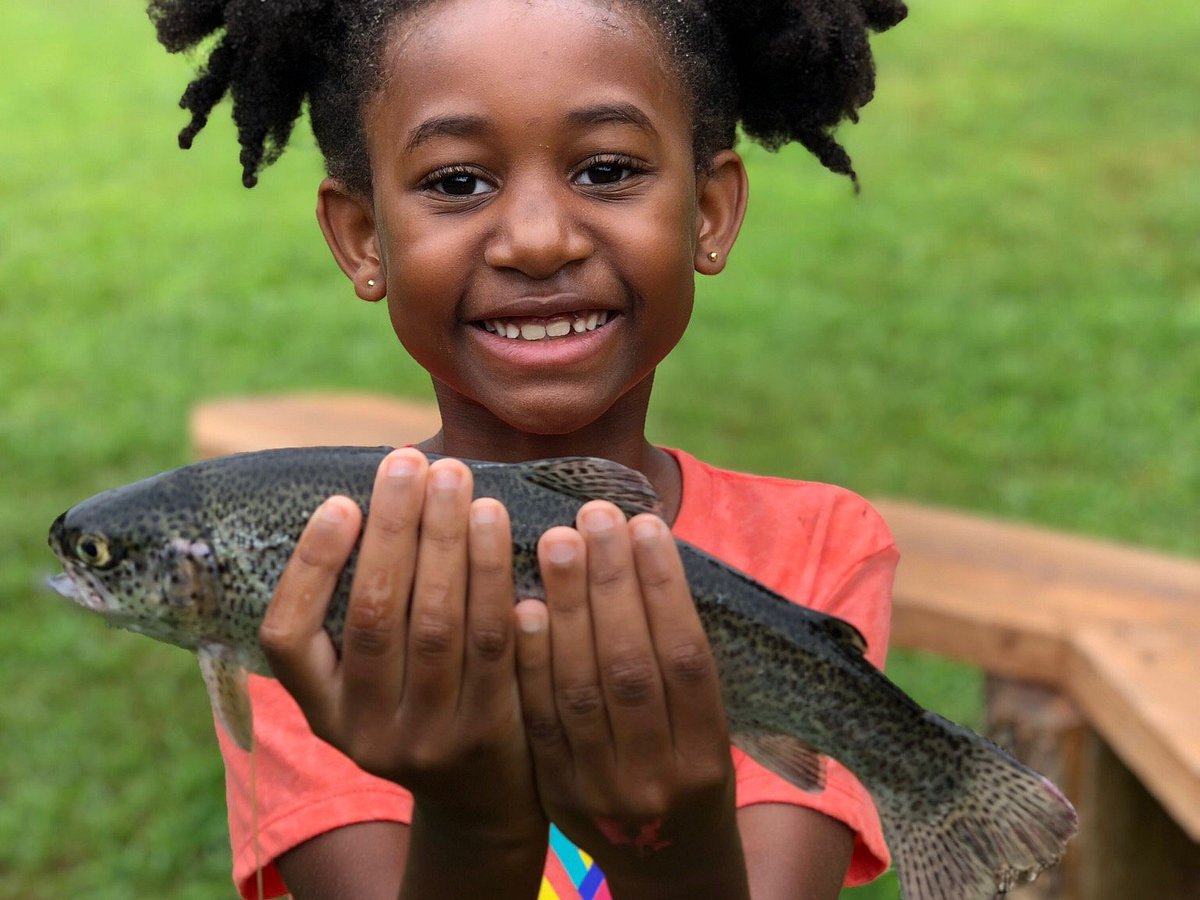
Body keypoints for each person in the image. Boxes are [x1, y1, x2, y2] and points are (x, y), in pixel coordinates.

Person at [148, 0, 906, 897]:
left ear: (708, 211)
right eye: (458, 182)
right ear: (362, 237)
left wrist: (670, 834)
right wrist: (473, 820)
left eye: (608, 169)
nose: (540, 241)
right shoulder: (307, 590)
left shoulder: (814, 547)